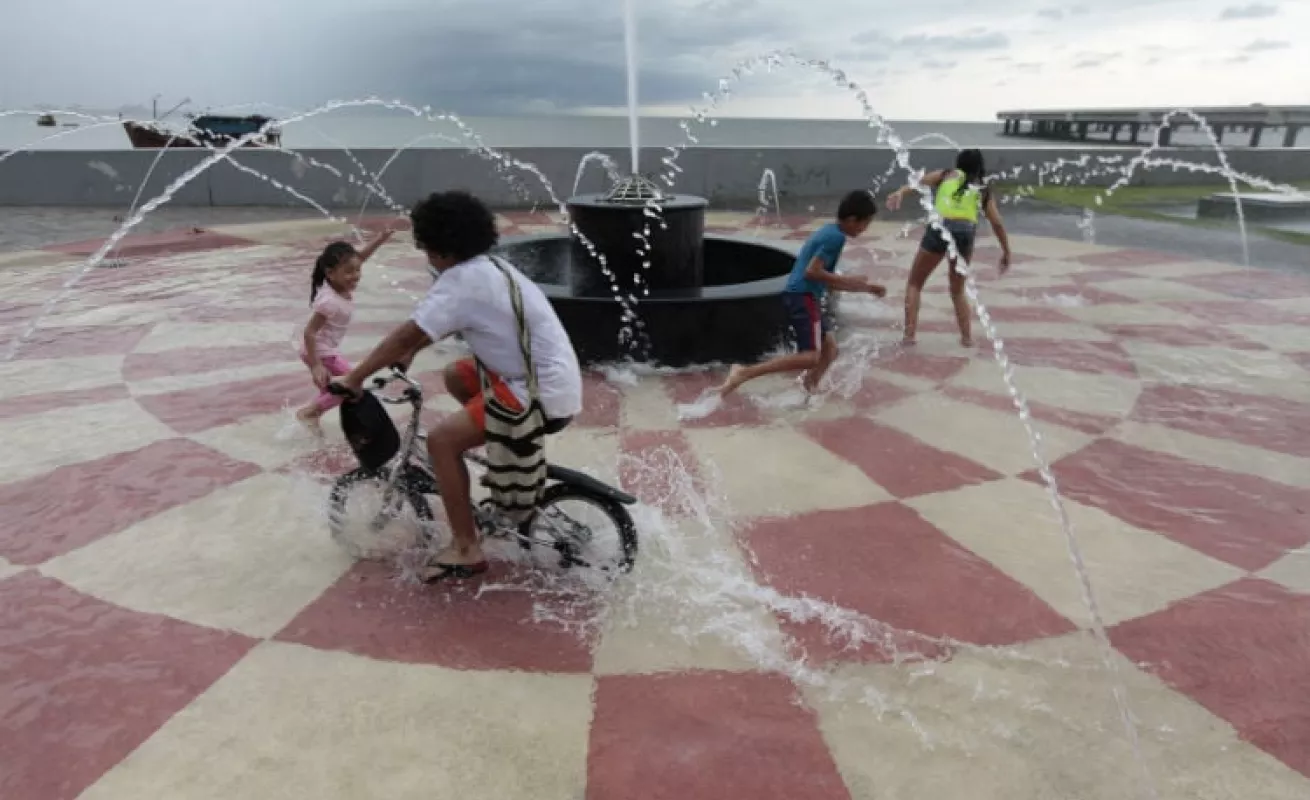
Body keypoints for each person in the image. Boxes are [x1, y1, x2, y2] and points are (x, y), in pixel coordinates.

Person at [333, 191, 583, 581]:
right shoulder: (489, 267)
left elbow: (404, 335)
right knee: (455, 374)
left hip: (535, 392)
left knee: (441, 442)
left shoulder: (461, 281)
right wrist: (413, 351)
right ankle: (506, 455)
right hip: (549, 380)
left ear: (440, 246)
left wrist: (354, 377)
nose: (423, 252)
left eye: (425, 244)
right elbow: (435, 325)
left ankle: (466, 547)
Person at [717, 190, 886, 397]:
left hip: (805, 295)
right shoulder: (835, 238)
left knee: (830, 350)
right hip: (802, 296)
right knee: (810, 357)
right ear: (852, 219)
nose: (864, 229)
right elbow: (813, 272)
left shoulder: (830, 231)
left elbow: (827, 280)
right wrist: (852, 281)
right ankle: (744, 372)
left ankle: (809, 388)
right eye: (865, 223)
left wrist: (866, 288)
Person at [885, 148, 1012, 347]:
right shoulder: (981, 188)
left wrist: (900, 192)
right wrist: (1006, 251)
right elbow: (997, 222)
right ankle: (967, 338)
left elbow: (918, 183)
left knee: (915, 283)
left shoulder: (945, 175)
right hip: (965, 232)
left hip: (940, 227)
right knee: (957, 290)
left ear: (958, 163)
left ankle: (909, 335)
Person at [296, 229, 395, 428]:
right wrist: (316, 365)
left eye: (357, 270)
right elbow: (309, 332)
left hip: (320, 351)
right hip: (320, 352)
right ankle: (310, 413)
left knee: (332, 390)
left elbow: (360, 258)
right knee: (352, 383)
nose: (355, 276)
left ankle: (314, 418)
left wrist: (380, 239)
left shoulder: (336, 284)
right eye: (349, 272)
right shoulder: (329, 301)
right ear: (330, 273)